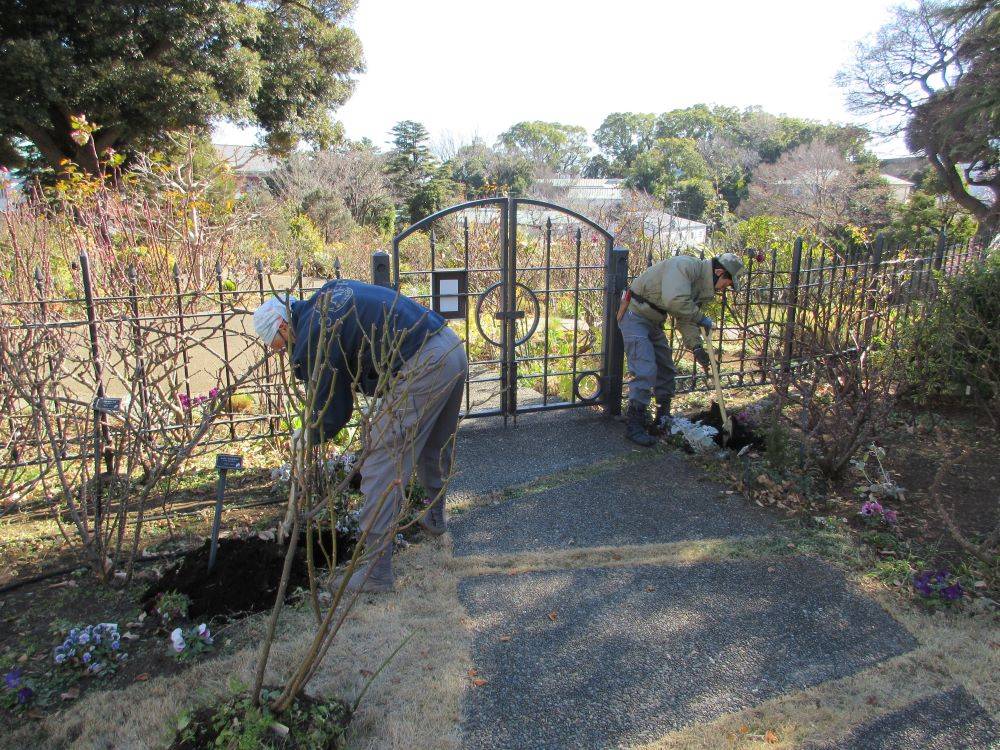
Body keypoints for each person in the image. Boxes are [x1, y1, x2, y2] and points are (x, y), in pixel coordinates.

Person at [253, 279, 468, 593]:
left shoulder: (315, 332)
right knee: (433, 445)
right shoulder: (326, 299)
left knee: (381, 458)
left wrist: (308, 434)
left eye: (279, 345)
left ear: (283, 326)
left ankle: (375, 573)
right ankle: (435, 516)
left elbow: (334, 410)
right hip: (449, 347)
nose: (281, 352)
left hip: (424, 363)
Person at [617, 252, 745, 447]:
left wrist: (696, 347)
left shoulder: (701, 286)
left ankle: (662, 418)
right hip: (635, 315)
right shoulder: (684, 267)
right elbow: (675, 301)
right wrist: (701, 317)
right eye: (727, 283)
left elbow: (685, 318)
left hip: (654, 320)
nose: (724, 288)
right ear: (719, 272)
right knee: (645, 369)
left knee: (666, 369)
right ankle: (635, 424)